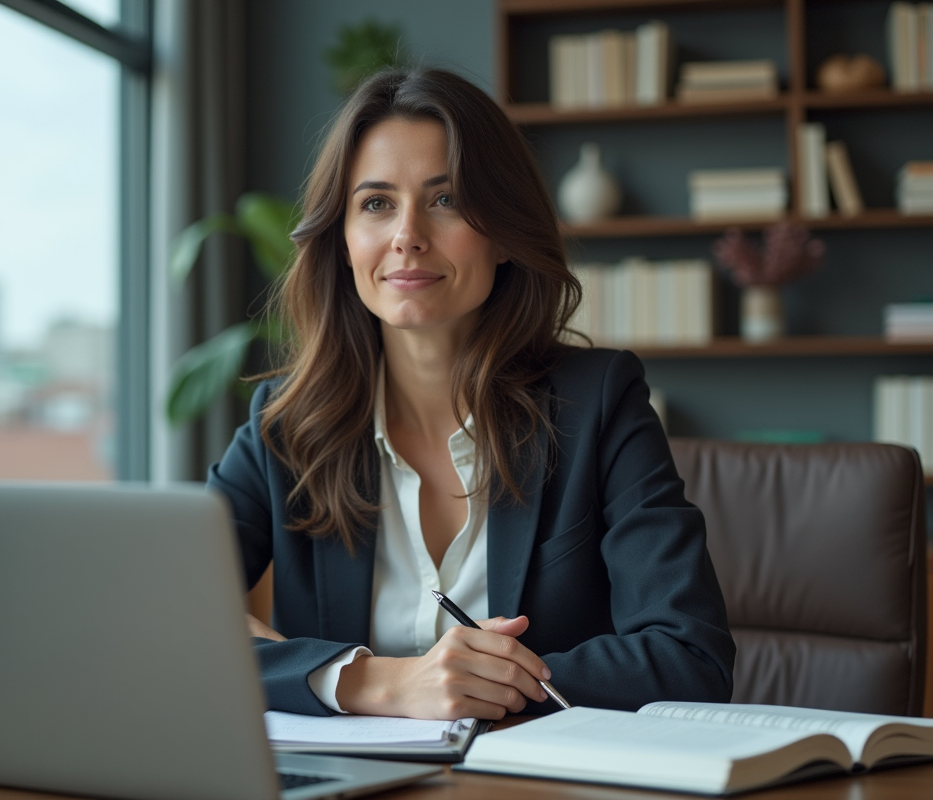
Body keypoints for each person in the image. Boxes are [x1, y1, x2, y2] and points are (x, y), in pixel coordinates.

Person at [207, 68, 734, 721]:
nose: (407, 236)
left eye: (446, 199)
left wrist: (477, 684)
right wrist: (374, 683)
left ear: (503, 232)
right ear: (342, 241)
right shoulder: (283, 427)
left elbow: (692, 659)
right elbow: (160, 623)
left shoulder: (598, 403)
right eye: (375, 203)